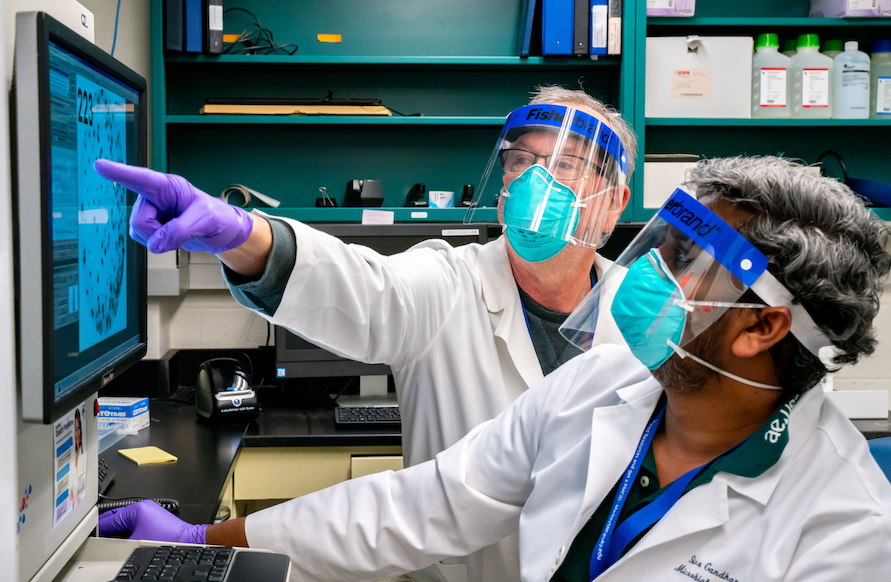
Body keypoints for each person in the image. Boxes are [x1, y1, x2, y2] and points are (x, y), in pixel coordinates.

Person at [99, 156, 891, 580]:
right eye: (665, 244)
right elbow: (424, 506)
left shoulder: (846, 534)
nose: (653, 272)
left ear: (760, 324)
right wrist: (203, 537)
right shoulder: (604, 386)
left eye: (687, 261)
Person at [94, 87, 637, 582]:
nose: (534, 181)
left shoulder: (647, 318)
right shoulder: (451, 281)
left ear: (613, 202)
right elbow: (364, 289)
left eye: (565, 164)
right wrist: (240, 234)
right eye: (521, 161)